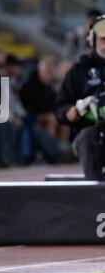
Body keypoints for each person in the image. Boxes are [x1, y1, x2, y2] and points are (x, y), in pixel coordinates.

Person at [55, 15, 105, 180]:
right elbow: (60, 108)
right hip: (91, 133)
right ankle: (94, 197)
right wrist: (74, 111)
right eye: (103, 40)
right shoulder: (79, 70)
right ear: (93, 40)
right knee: (87, 137)